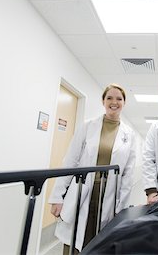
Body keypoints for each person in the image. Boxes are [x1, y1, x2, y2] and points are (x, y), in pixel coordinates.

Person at [48, 83, 136, 253]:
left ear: (124, 103)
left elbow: (128, 174)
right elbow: (70, 161)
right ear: (103, 101)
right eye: (109, 97)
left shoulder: (129, 134)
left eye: (119, 98)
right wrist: (57, 196)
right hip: (82, 189)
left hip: (108, 195)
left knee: (101, 243)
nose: (114, 102)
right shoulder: (88, 126)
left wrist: (122, 208)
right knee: (75, 240)